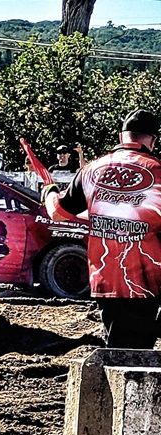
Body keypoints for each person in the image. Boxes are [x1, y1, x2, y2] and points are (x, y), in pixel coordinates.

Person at [43, 109, 161, 349]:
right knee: (141, 354)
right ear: (153, 140)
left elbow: (57, 212)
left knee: (116, 349)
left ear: (121, 137)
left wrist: (49, 191)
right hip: (147, 280)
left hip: (106, 278)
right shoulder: (158, 172)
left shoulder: (91, 170)